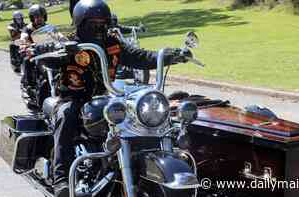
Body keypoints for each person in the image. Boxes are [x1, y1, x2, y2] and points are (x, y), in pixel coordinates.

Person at [52, 0, 188, 196]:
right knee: (66, 115)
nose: (100, 28)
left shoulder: (112, 44)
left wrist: (168, 56)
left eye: (103, 23)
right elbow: (49, 53)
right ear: (80, 24)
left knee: (133, 116)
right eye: (94, 24)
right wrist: (58, 51)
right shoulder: (69, 42)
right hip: (72, 98)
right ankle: (61, 179)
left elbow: (138, 55)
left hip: (103, 98)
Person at [19, 4, 48, 109]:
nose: (39, 19)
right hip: (33, 54)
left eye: (41, 16)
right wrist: (24, 45)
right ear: (32, 18)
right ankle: (29, 86)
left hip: (48, 54)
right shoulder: (27, 29)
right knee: (27, 60)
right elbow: (24, 38)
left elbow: (58, 36)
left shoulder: (48, 27)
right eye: (36, 17)